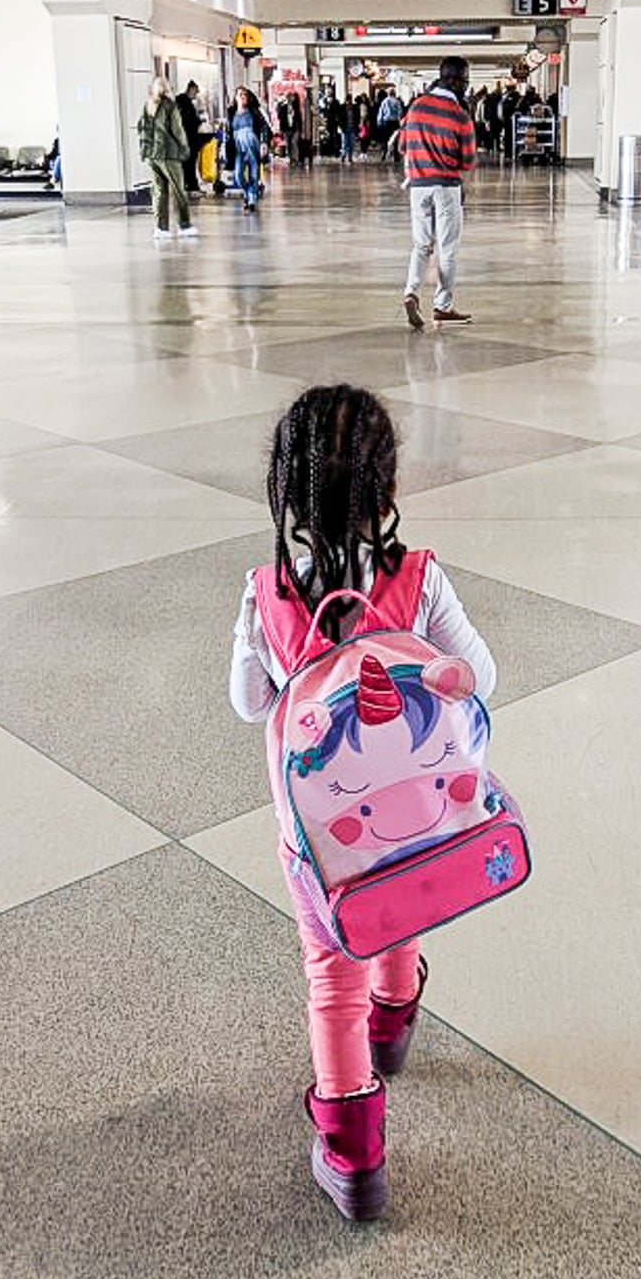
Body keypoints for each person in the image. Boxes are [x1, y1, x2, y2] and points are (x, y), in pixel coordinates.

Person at [228, 383, 497, 1222]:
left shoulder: (267, 592)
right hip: (415, 820)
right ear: (389, 494)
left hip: (318, 839)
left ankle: (353, 1150)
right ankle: (397, 1011)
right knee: (395, 906)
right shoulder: (418, 581)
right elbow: (480, 678)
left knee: (327, 975)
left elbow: (246, 701)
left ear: (288, 496)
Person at [400, 55, 477, 330]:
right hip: (446, 188)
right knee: (448, 249)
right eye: (465, 81)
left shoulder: (416, 107)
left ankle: (411, 293)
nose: (466, 87)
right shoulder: (460, 115)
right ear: (455, 80)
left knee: (421, 245)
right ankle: (442, 307)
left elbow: (402, 146)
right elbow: (467, 161)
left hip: (418, 187)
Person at [137, 76, 195, 243]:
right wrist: (184, 148)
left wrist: (145, 151)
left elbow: (142, 128)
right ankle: (184, 225)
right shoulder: (170, 106)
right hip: (168, 154)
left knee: (159, 191)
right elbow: (177, 130)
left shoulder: (147, 106)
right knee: (179, 190)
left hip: (151, 155)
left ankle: (161, 227)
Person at [230, 86, 272, 212]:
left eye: (245, 95)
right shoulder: (232, 113)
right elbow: (228, 131)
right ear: (236, 97)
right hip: (238, 146)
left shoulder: (254, 112)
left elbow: (264, 127)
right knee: (238, 175)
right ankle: (248, 191)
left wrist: (264, 143)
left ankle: (252, 199)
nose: (243, 97)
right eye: (240, 94)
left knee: (254, 173)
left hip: (252, 144)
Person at [176, 82, 205, 197]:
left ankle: (190, 187)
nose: (196, 94)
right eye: (196, 91)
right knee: (189, 164)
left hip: (186, 138)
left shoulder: (183, 102)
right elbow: (188, 121)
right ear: (191, 89)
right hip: (187, 139)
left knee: (188, 164)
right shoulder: (184, 103)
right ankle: (191, 188)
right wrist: (198, 121)